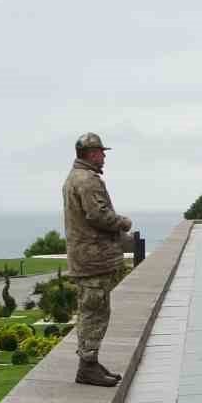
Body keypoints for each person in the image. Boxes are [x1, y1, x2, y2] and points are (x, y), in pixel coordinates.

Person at [62, 132, 131, 387]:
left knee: (92, 309)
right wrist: (123, 222)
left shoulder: (75, 177)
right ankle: (88, 366)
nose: (103, 157)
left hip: (86, 258)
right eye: (101, 152)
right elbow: (98, 215)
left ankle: (90, 363)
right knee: (95, 311)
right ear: (91, 153)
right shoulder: (87, 180)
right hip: (93, 259)